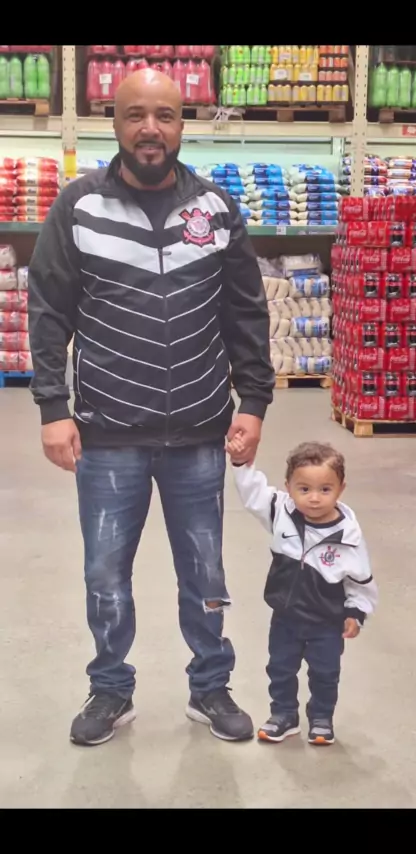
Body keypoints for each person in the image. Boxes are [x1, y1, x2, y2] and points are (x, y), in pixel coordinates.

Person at [28, 69, 275, 747]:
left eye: (164, 115)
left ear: (181, 124)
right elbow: (48, 311)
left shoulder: (216, 209)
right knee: (105, 573)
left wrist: (253, 400)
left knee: (206, 571)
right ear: (114, 122)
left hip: (200, 431)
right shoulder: (78, 206)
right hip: (107, 434)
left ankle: (211, 685)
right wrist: (52, 407)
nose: (150, 129)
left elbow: (245, 312)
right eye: (135, 115)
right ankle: (110, 687)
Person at [226, 439, 378, 745]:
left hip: (327, 623)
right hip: (286, 617)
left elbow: (360, 580)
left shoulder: (348, 537)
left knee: (325, 673)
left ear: (341, 489)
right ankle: (283, 714)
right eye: (304, 489)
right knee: (280, 668)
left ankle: (321, 717)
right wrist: (241, 464)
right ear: (289, 487)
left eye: (325, 489)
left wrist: (356, 612)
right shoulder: (281, 512)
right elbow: (254, 494)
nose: (314, 498)